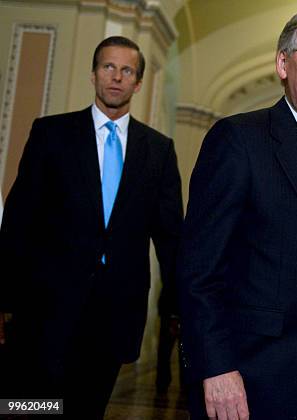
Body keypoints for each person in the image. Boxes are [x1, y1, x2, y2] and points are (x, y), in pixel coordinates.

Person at [177, 8, 297, 420]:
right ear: (283, 63)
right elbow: (198, 271)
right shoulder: (238, 139)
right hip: (249, 378)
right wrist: (216, 367)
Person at [0, 36, 183, 418]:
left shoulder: (158, 150)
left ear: (138, 82)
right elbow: (20, 219)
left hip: (114, 315)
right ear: (93, 74)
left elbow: (171, 238)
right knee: (32, 407)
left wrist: (180, 306)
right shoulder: (51, 134)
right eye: (108, 67)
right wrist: (5, 299)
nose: (116, 77)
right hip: (46, 309)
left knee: (86, 408)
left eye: (127, 70)